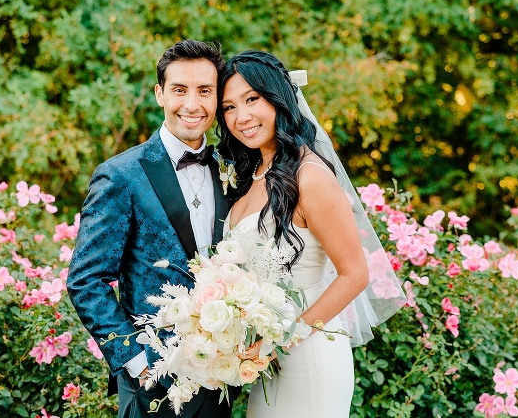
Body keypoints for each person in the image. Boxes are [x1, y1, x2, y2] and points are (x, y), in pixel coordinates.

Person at [216, 51, 404, 418]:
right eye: (229, 107)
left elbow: (355, 274)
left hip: (310, 357)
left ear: (278, 98)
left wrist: (283, 338)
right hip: (269, 364)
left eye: (252, 99)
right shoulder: (256, 172)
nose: (242, 117)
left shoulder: (311, 176)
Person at [67, 40, 238, 418]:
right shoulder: (120, 176)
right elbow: (85, 279)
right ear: (160, 94)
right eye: (179, 89)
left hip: (225, 379)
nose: (192, 104)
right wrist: (137, 362)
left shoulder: (235, 170)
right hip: (153, 387)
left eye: (204, 91)